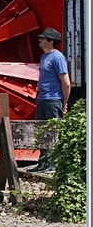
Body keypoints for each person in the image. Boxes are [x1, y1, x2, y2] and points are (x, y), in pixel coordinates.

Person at [34, 26, 70, 172]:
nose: (40, 41)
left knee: (53, 131)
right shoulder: (44, 57)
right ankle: (43, 162)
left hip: (53, 99)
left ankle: (53, 164)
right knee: (42, 131)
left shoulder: (58, 57)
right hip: (43, 98)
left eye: (43, 39)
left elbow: (66, 82)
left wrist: (64, 103)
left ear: (51, 41)